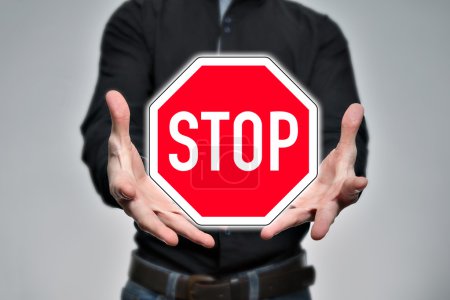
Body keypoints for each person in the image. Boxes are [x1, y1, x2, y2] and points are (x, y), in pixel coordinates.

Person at [80, 0, 369, 299]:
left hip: (280, 287)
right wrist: (120, 168)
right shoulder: (140, 17)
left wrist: (333, 171)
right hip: (157, 286)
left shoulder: (318, 33)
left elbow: (341, 138)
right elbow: (112, 128)